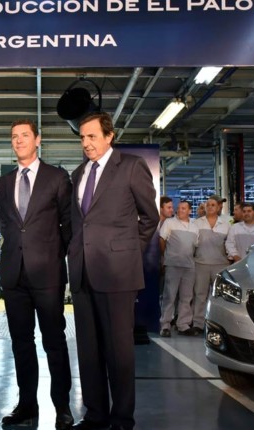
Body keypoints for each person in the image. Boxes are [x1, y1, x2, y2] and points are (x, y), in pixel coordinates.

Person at [67, 113, 158, 430]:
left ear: (109, 136)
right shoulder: (78, 173)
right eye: (82, 137)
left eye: (92, 136)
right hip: (82, 272)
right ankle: (95, 415)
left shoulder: (131, 166)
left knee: (119, 352)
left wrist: (128, 251)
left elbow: (150, 217)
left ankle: (121, 418)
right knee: (88, 350)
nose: (86, 143)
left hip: (117, 273)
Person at [0, 119, 73, 429]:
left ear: (37, 140)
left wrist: (54, 255)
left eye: (24, 135)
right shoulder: (4, 183)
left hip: (48, 274)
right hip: (14, 275)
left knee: (54, 341)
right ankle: (27, 405)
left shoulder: (57, 177)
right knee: (21, 343)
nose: (19, 140)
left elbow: (68, 223)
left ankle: (62, 406)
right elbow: (6, 224)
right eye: (14, 136)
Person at [158, 201, 199, 337]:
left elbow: (195, 246)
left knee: (187, 297)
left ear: (189, 211)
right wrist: (166, 257)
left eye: (183, 208)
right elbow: (162, 240)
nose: (179, 210)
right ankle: (165, 325)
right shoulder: (169, 223)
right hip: (173, 264)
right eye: (179, 208)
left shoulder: (194, 227)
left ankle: (183, 325)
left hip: (189, 266)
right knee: (169, 295)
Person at [192, 197, 230, 335]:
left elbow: (230, 244)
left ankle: (220, 324)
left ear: (219, 207)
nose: (210, 207)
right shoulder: (196, 223)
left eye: (213, 205)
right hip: (200, 263)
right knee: (199, 295)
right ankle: (198, 324)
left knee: (220, 296)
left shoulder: (226, 224)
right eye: (208, 204)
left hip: (220, 264)